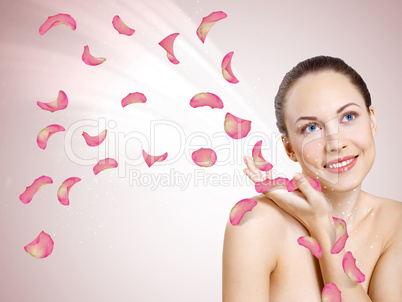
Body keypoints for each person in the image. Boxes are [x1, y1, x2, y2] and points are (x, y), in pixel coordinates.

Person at [222, 55, 402, 301]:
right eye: (311, 128)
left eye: (348, 117)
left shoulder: (395, 223)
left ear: (372, 120)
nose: (336, 144)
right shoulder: (255, 224)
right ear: (289, 149)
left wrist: (323, 228)